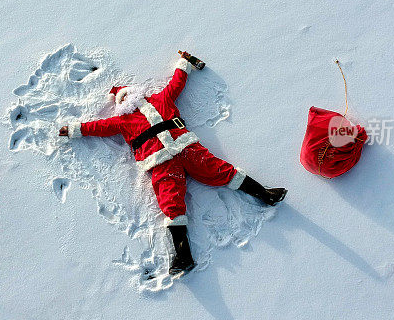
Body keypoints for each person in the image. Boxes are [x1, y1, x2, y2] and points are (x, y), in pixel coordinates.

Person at [59, 53, 286, 277]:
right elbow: (98, 127)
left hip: (186, 147)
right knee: (170, 201)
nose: (128, 100)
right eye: (123, 99)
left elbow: (176, 84)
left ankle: (265, 194)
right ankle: (183, 255)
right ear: (120, 106)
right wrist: (74, 130)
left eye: (129, 95)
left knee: (219, 169)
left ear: (138, 94)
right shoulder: (122, 121)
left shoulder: (161, 99)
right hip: (160, 161)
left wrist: (184, 64)